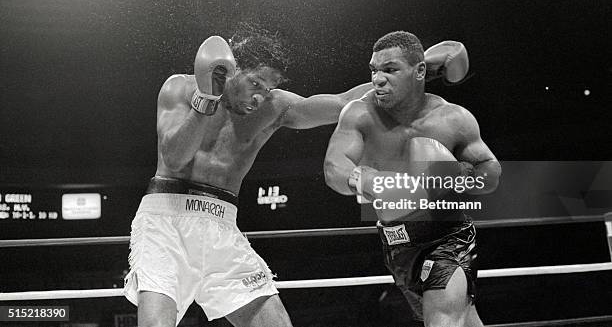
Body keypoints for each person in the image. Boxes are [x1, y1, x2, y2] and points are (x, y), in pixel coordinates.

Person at [123, 26, 463, 327]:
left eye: (268, 88)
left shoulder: (275, 107)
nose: (259, 97)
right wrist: (206, 98)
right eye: (254, 83)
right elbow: (174, 156)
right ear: (230, 70)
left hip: (221, 226)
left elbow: (345, 102)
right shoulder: (179, 89)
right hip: (166, 219)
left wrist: (417, 75)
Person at [324, 31, 501, 327]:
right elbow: (333, 167)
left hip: (447, 236)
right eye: (374, 70)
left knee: (442, 322)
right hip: (397, 244)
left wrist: (458, 178)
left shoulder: (453, 118)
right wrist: (369, 181)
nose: (378, 79)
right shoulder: (360, 113)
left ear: (420, 71)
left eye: (390, 70)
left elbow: (491, 171)